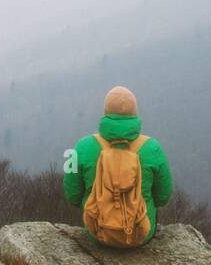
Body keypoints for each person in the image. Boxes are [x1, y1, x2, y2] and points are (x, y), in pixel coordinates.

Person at [62, 85, 172, 247]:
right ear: (135, 114)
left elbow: (72, 195)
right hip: (141, 233)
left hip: (96, 231)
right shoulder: (153, 148)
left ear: (105, 112)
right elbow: (163, 197)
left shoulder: (80, 147)